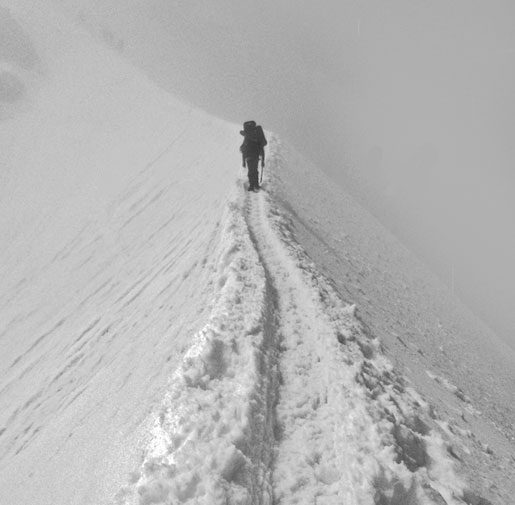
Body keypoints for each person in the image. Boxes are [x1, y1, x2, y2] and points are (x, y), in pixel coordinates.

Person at [240, 121, 267, 191]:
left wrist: (243, 161)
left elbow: (244, 148)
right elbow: (262, 146)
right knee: (254, 169)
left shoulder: (247, 137)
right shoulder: (256, 135)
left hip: (249, 155)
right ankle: (255, 184)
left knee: (251, 170)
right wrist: (263, 160)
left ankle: (252, 185)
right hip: (255, 154)